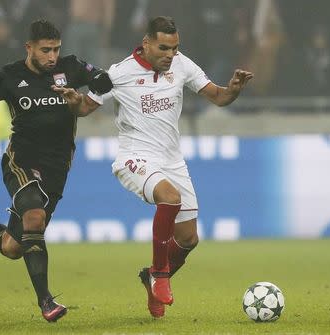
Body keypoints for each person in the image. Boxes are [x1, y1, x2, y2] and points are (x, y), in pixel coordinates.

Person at [53, 16, 253, 318]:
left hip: (173, 161)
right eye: (163, 48)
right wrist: (73, 101)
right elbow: (84, 108)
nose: (170, 55)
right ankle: (159, 273)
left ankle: (152, 277)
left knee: (188, 239)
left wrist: (234, 89)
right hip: (135, 157)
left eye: (174, 48)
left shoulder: (182, 65)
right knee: (169, 198)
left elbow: (219, 96)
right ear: (146, 43)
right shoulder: (119, 73)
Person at [0, 19, 112, 322]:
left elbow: (101, 79)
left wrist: (95, 87)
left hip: (58, 167)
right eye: (45, 50)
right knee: (35, 216)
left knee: (13, 246)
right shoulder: (10, 76)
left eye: (56, 49)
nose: (52, 57)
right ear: (29, 48)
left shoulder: (70, 67)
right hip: (20, 161)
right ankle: (46, 301)